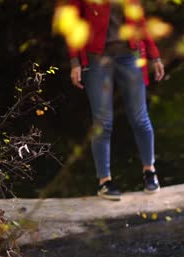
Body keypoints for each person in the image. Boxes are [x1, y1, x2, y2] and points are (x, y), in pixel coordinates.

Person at [66, 0, 164, 200]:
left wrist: (154, 56)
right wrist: (75, 62)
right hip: (96, 59)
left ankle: (149, 171)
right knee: (103, 122)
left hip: (129, 56)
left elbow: (140, 21)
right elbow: (72, 23)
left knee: (140, 117)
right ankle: (104, 181)